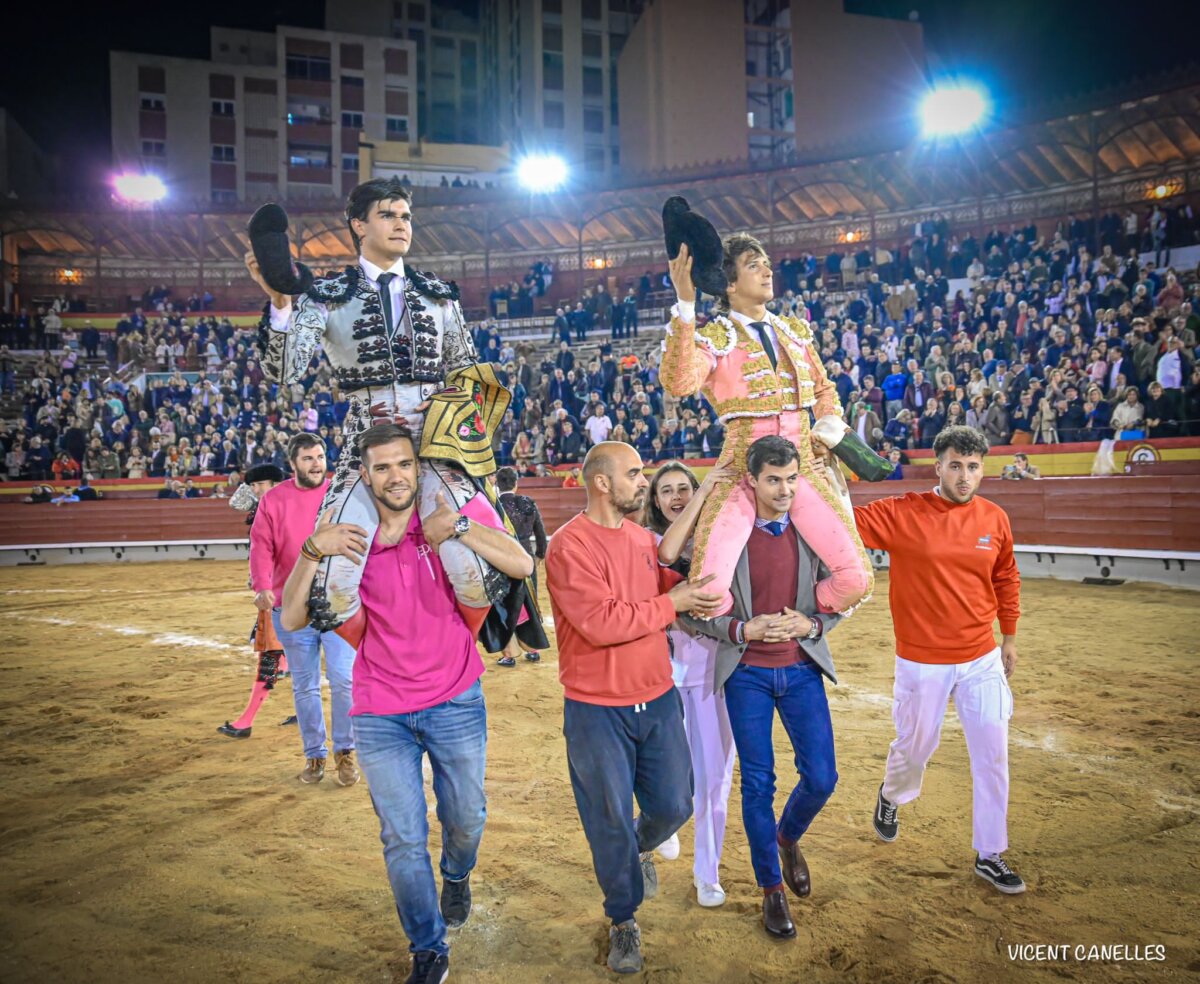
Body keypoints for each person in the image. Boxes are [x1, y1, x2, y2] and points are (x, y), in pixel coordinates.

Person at [280, 424, 533, 984]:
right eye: (382, 468)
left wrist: (460, 526)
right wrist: (311, 549)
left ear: (418, 467)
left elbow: (522, 565)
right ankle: (427, 947)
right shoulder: (348, 537)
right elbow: (292, 617)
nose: (395, 476)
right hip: (379, 711)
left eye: (404, 464)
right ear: (365, 475)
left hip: (455, 698)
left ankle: (457, 874)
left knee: (466, 818)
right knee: (401, 837)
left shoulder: (441, 516)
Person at [248, 176, 516, 642]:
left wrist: (458, 410)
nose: (400, 225)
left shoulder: (439, 295)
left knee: (474, 569)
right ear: (359, 225)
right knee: (333, 586)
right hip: (365, 449)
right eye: (388, 215)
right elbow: (285, 370)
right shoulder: (325, 296)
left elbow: (467, 371)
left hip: (436, 446)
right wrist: (280, 302)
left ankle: (453, 650)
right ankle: (381, 656)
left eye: (406, 216)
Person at [545, 441, 723, 975]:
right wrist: (675, 602)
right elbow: (602, 623)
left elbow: (674, 583)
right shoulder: (568, 545)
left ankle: (636, 850)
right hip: (596, 710)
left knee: (675, 806)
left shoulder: (644, 540)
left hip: (657, 697)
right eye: (635, 473)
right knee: (608, 821)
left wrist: (700, 588)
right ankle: (623, 918)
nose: (643, 482)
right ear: (602, 483)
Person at [680, 436, 845, 938]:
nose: (785, 490)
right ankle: (771, 889)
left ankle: (787, 837)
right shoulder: (725, 534)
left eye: (791, 479)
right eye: (774, 480)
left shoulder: (812, 530)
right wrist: (739, 629)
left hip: (801, 668)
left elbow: (843, 592)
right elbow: (694, 608)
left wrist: (812, 625)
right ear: (752, 480)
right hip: (746, 673)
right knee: (758, 783)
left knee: (822, 778)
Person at [660, 237, 872, 621]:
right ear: (729, 283)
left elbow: (823, 389)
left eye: (767, 264)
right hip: (740, 471)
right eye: (754, 265)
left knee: (857, 580)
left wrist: (825, 436)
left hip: (801, 467)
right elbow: (679, 383)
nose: (767, 271)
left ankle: (793, 623)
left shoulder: (794, 331)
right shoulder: (716, 337)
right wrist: (686, 306)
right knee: (708, 592)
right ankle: (747, 629)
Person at [854, 426, 1026, 894]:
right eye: (955, 466)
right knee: (916, 748)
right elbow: (840, 522)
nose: (964, 476)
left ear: (982, 469)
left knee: (992, 753)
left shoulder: (994, 518)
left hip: (981, 657)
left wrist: (1008, 636)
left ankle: (990, 852)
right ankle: (892, 794)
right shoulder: (902, 512)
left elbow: (1006, 577)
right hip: (921, 659)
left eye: (973, 467)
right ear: (939, 467)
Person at [646, 461, 736, 908]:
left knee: (715, 777)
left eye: (685, 487)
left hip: (714, 675)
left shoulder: (722, 538)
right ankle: (665, 822)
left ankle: (708, 873)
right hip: (659, 675)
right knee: (663, 771)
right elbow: (666, 556)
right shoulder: (647, 542)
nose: (677, 496)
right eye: (667, 491)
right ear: (655, 500)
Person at [249, 434, 358, 785]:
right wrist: (262, 585)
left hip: (337, 603)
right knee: (305, 685)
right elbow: (261, 545)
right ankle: (315, 755)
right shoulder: (274, 499)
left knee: (344, 679)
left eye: (320, 456)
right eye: (308, 458)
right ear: (293, 463)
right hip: (290, 605)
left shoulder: (340, 494)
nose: (316, 464)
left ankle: (345, 751)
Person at [218, 464, 291, 739]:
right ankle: (303, 704)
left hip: (281, 595)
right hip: (282, 592)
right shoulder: (271, 507)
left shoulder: (281, 509)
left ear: (275, 484)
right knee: (293, 656)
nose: (254, 490)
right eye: (252, 485)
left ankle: (246, 721)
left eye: (259, 484)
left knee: (270, 658)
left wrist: (264, 580)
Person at [494, 466, 547, 667]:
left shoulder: (494, 505)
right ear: (516, 483)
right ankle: (533, 650)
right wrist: (539, 555)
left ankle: (509, 654)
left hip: (503, 560)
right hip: (526, 558)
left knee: (506, 605)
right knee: (529, 602)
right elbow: (540, 533)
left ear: (497, 484)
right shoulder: (528, 502)